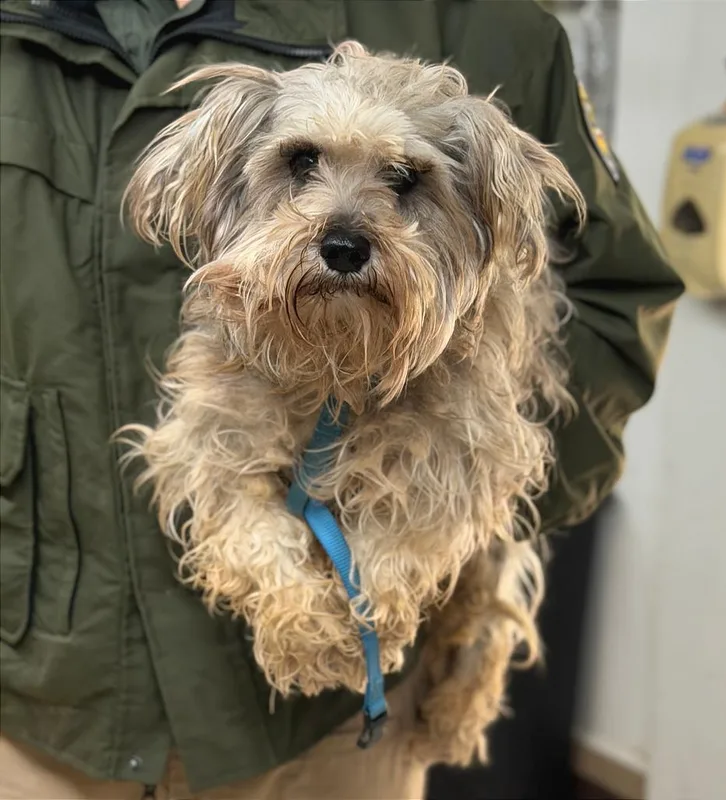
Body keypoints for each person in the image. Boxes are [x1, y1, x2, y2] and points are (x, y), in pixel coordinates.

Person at [0, 1, 684, 797]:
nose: (345, 226)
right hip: (49, 693)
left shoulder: (486, 25)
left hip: (346, 729)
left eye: (402, 179)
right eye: (301, 167)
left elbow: (612, 308)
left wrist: (464, 517)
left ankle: (481, 618)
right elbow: (200, 464)